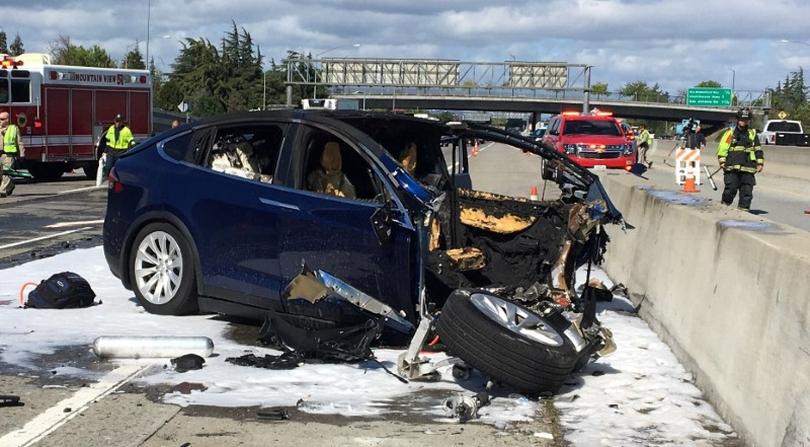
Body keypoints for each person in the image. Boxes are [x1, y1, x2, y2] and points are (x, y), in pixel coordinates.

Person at [717, 108, 763, 211]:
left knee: (746, 192)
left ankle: (743, 213)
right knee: (730, 189)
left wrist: (760, 163)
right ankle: (723, 207)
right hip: (732, 166)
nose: (744, 121)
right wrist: (722, 161)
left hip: (748, 167)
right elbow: (722, 148)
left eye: (746, 119)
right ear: (738, 119)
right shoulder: (730, 133)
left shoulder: (752, 133)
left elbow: (758, 149)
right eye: (742, 119)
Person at [100, 114, 136, 179]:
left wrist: (133, 149)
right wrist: (105, 152)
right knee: (108, 167)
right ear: (114, 121)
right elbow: (108, 142)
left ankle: (118, 181)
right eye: (116, 121)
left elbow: (131, 141)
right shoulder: (111, 129)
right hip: (111, 151)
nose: (118, 123)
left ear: (122, 122)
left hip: (121, 152)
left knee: (118, 168)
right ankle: (109, 180)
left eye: (119, 121)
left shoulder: (126, 130)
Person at [1, 111, 24, 198]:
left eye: (2, 119)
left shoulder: (14, 129)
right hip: (0, 155)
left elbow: (20, 142)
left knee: (6, 173)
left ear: (7, 120)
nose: (0, 121)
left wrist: (22, 154)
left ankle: (2, 191)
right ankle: (10, 186)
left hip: (9, 155)